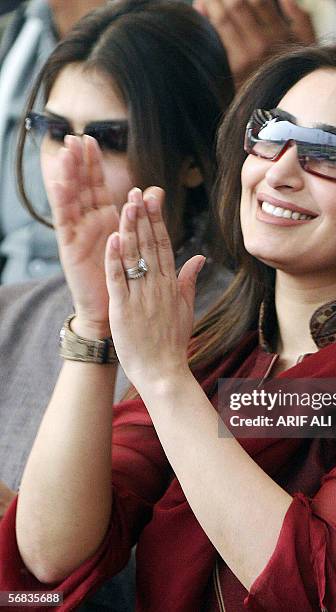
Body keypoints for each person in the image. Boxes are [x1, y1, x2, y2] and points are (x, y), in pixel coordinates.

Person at [1, 40, 336, 611]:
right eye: (273, 135)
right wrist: (95, 327)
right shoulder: (222, 355)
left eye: (334, 154)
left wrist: (168, 382)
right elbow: (49, 558)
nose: (282, 171)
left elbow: (310, 586)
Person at [0, 0, 234, 609]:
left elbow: (63, 575)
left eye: (108, 138)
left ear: (190, 162)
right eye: (54, 130)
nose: (70, 162)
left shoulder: (247, 323)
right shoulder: (9, 309)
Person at [0, 0, 108, 284]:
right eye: (55, 131)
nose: (67, 157)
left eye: (110, 138)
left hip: (105, 289)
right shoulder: (23, 26)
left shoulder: (161, 31)